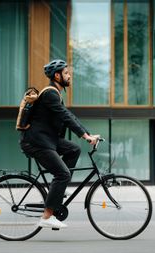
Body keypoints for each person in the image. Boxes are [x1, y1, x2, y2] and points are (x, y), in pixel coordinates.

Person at [19, 59, 99, 229]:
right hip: (36, 142)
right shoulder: (50, 94)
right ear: (57, 75)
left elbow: (70, 116)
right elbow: (65, 116)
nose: (69, 76)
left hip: (47, 139)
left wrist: (88, 134)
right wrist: (85, 136)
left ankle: (58, 191)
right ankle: (46, 217)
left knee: (74, 149)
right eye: (66, 73)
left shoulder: (55, 93)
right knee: (63, 174)